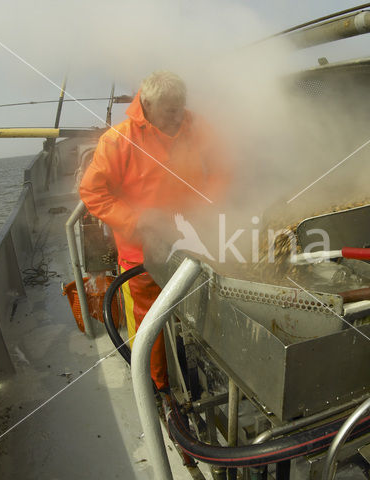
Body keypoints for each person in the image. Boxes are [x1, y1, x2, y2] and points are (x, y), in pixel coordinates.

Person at [79, 71, 227, 391]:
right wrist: (136, 220)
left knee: (204, 303)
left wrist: (208, 204)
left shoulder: (194, 125)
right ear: (146, 104)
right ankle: (155, 388)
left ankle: (208, 368)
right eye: (169, 110)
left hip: (194, 238)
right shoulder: (117, 141)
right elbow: (92, 193)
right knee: (148, 324)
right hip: (140, 251)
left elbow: (221, 168)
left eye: (180, 108)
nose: (178, 117)